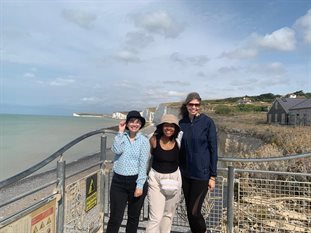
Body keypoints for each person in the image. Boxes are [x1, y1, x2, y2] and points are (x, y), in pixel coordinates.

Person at [179, 92, 218, 233]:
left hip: (202, 174)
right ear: (186, 105)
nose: (194, 107)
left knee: (195, 211)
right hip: (185, 174)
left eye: (197, 105)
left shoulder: (207, 122)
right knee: (189, 211)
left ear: (199, 106)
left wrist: (213, 176)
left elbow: (214, 149)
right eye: (191, 104)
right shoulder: (182, 123)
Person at [106, 110, 150, 233]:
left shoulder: (144, 141)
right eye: (131, 121)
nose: (134, 124)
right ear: (127, 123)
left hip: (136, 181)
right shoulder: (122, 137)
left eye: (137, 122)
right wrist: (120, 131)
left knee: (133, 218)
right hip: (118, 182)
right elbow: (116, 150)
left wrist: (140, 185)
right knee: (115, 217)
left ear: (141, 124)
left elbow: (143, 164)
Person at [146, 114, 182, 233]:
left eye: (172, 126)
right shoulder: (153, 139)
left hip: (174, 179)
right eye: (166, 125)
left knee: (168, 215)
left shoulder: (178, 140)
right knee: (155, 216)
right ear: (161, 127)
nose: (169, 128)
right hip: (155, 179)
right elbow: (146, 158)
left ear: (176, 128)